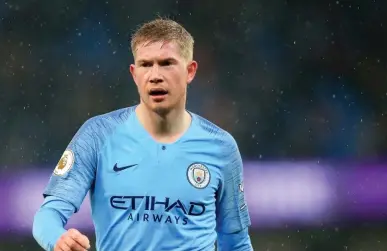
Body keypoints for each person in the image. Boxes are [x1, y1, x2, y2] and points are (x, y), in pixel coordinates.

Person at [33, 17, 253, 251]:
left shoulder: (221, 147)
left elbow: (236, 242)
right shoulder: (98, 135)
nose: (155, 75)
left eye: (166, 63)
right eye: (146, 65)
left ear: (190, 71)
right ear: (134, 73)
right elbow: (48, 214)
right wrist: (58, 238)